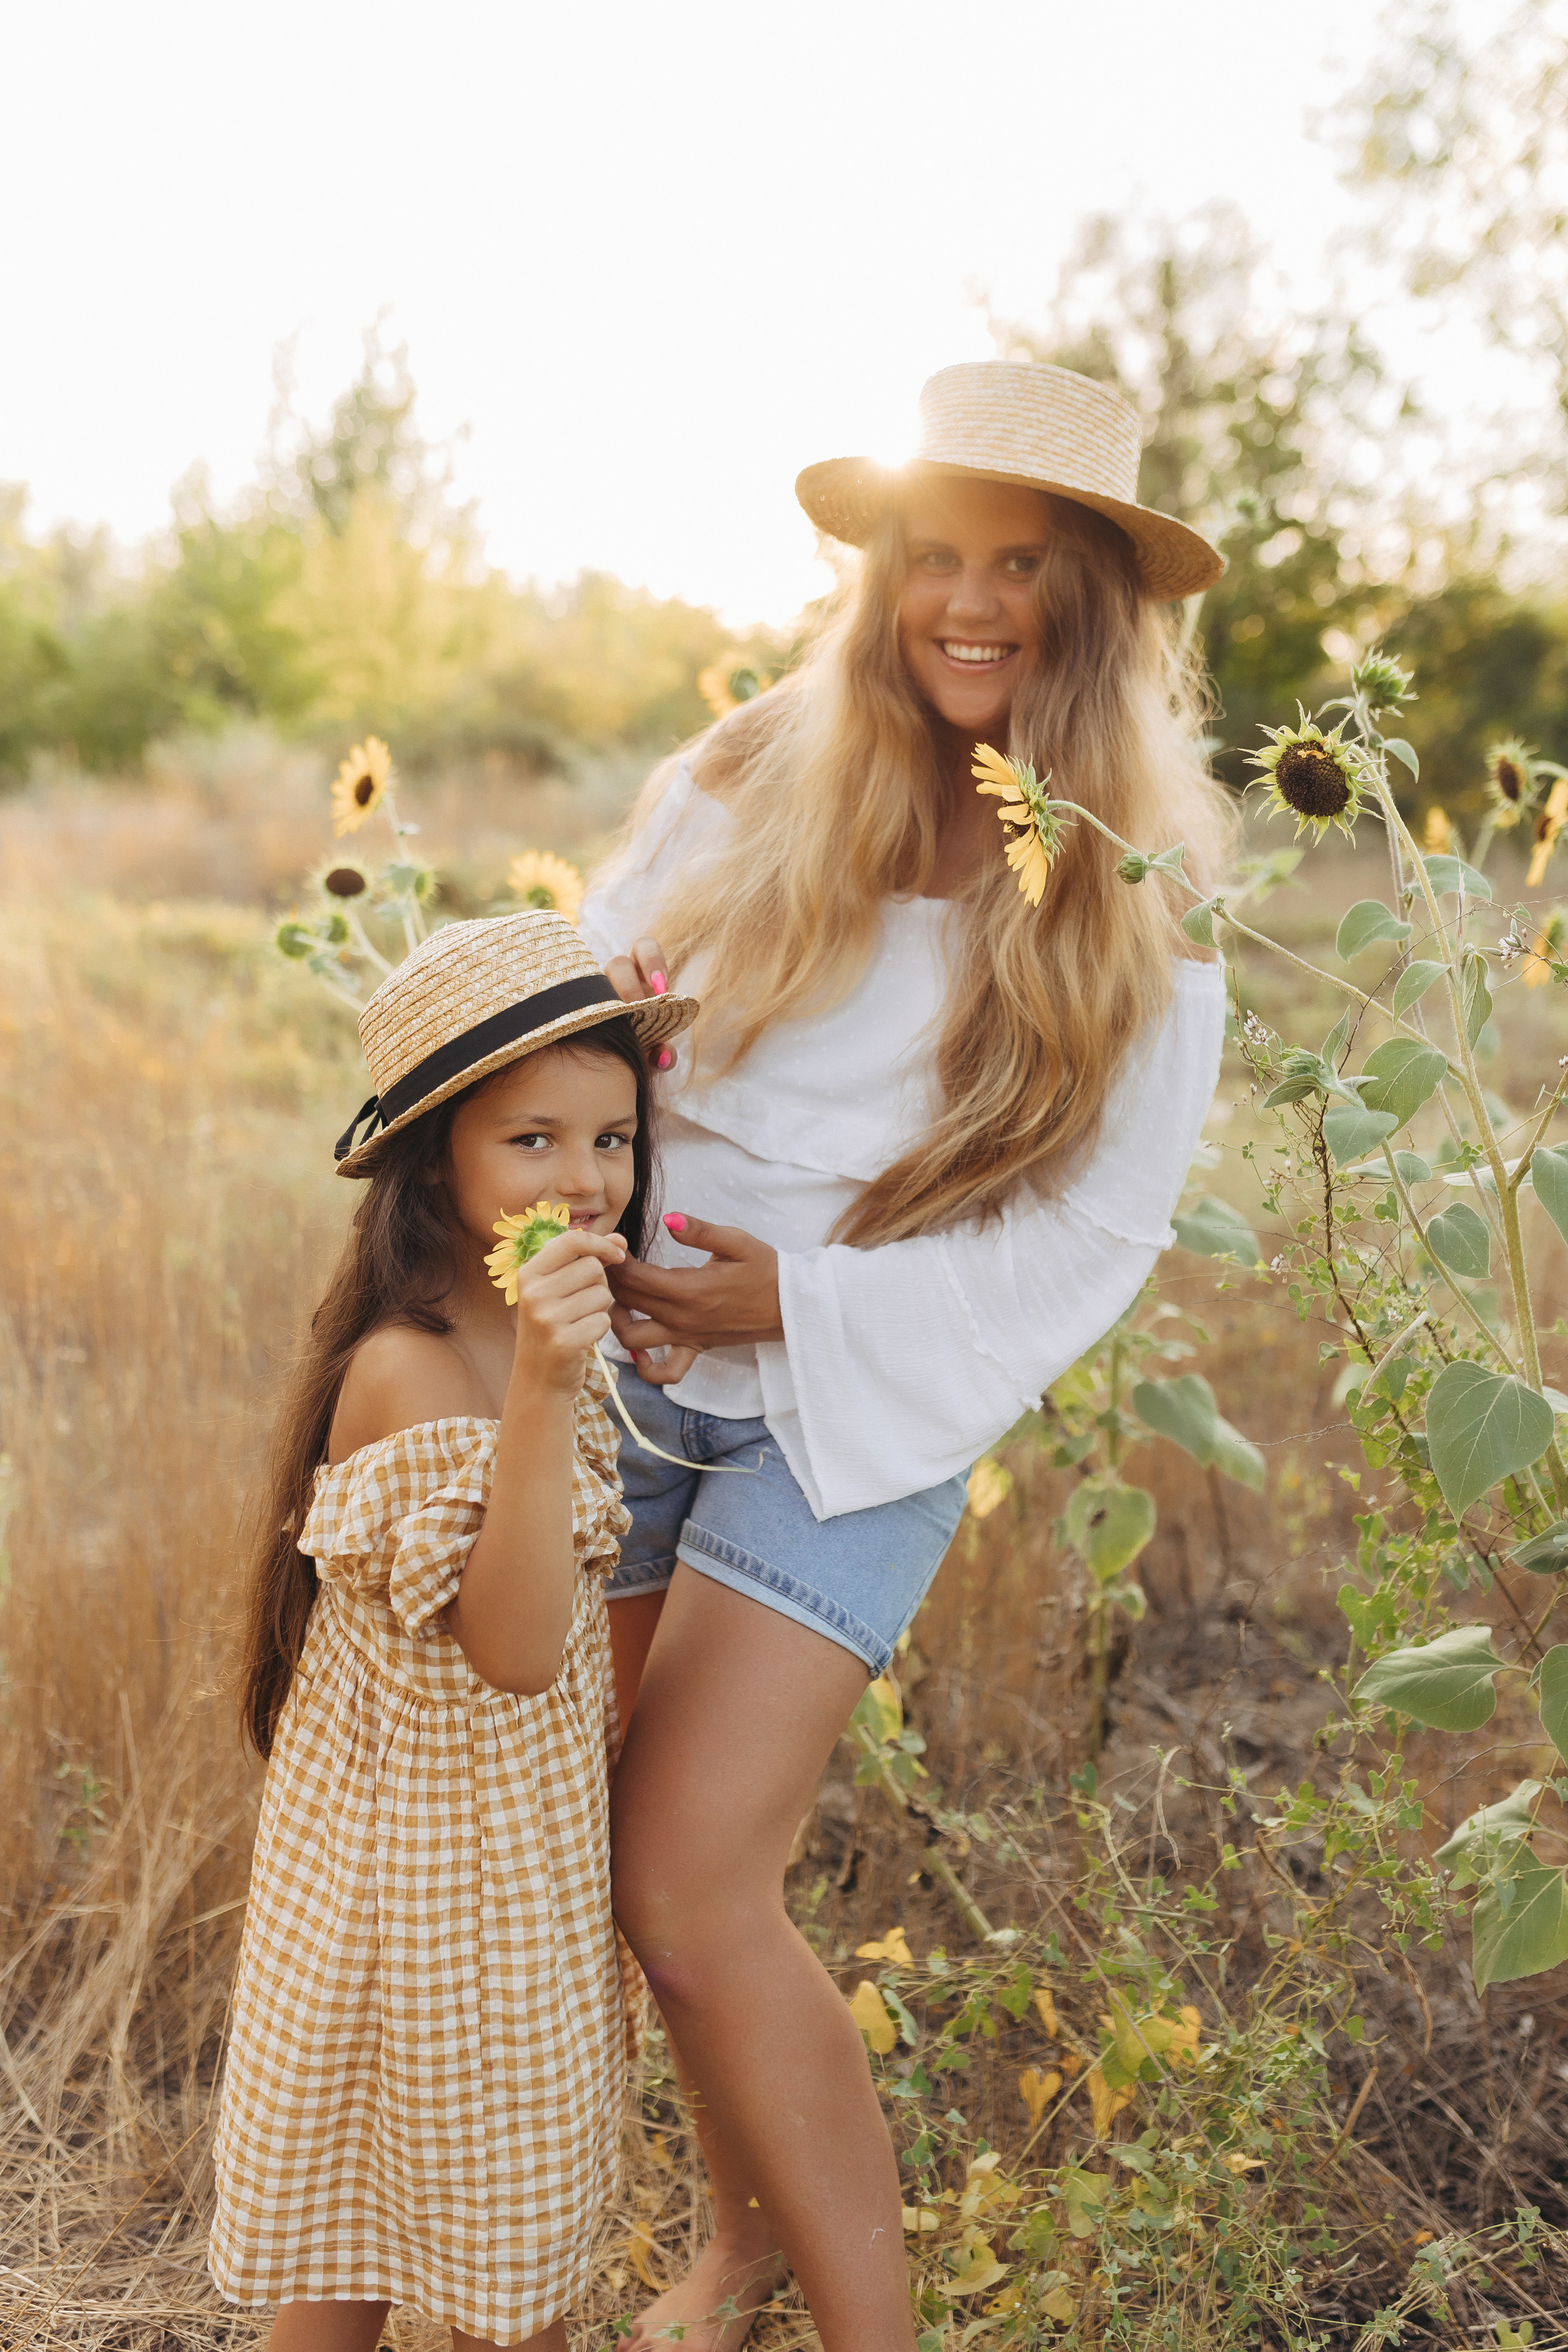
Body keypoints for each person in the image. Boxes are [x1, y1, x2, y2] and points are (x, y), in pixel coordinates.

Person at [578, 361, 1233, 2352]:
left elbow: (1095, 1232)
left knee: (697, 1883)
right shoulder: (761, 763)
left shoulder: (1117, 881)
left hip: (849, 1404)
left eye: (1018, 564)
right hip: (618, 1362)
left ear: (1093, 595)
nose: (968, 601)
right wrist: (593, 1096)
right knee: (630, 1877)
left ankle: (873, 2328)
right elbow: (595, 992)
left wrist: (789, 1302)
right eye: (933, 555)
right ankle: (734, 2237)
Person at [209, 910, 696, 2352]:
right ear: (439, 1161)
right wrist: (550, 1385)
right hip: (410, 1884)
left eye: (611, 1139)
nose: (586, 1179)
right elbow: (518, 1647)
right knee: (372, 2248)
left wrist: (591, 1352)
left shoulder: (538, 1316)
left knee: (507, 2233)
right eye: (530, 1142)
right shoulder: (408, 1369)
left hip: (514, 1861)